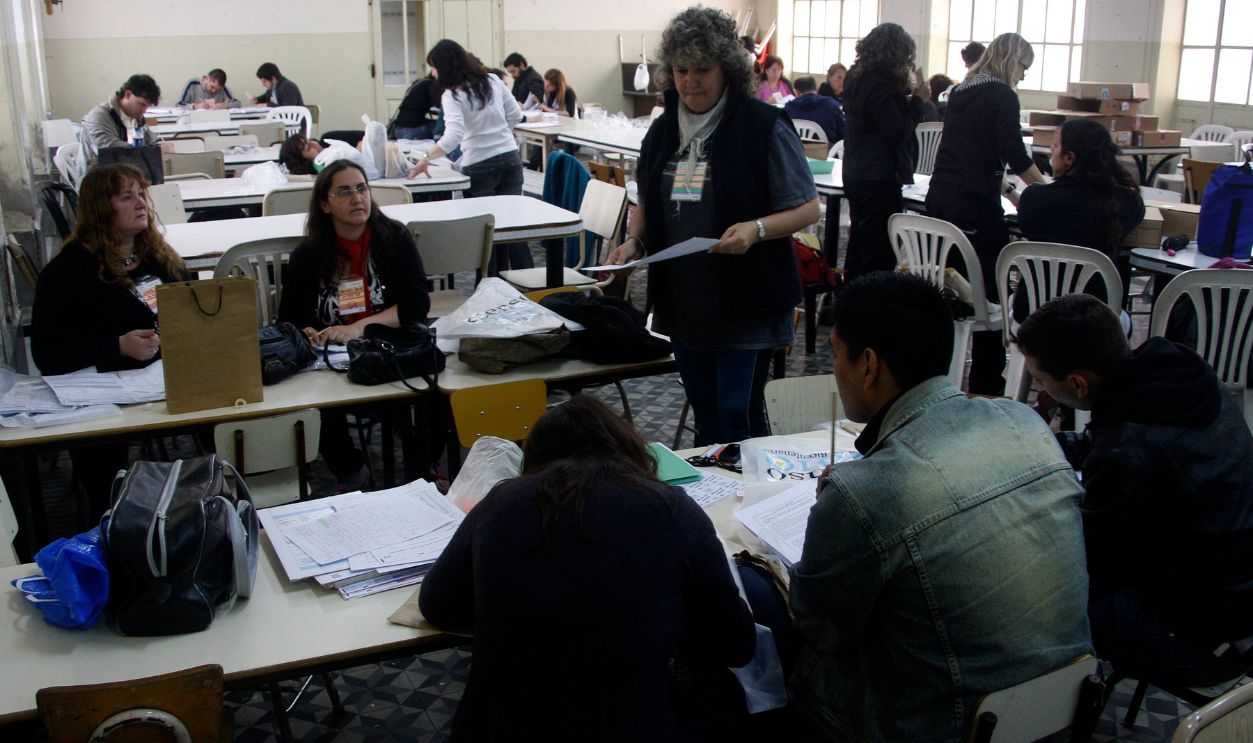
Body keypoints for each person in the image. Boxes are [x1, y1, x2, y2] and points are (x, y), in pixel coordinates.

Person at [790, 271, 1091, 742]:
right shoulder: (1024, 423)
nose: (835, 370)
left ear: (869, 365)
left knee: (779, 650)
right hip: (1061, 706)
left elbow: (822, 628)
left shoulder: (865, 492)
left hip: (946, 724)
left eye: (834, 353)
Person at [420, 394, 756, 740]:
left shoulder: (502, 503)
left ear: (536, 457)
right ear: (629, 448)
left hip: (506, 724)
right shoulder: (673, 511)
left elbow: (437, 606)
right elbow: (737, 645)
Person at [604, 6, 820, 445]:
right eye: (681, 70)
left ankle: (748, 504)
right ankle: (713, 505)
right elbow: (646, 197)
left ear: (727, 69)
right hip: (685, 301)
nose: (690, 82)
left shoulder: (763, 127)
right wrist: (633, 242)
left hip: (747, 300)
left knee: (736, 416)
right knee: (706, 415)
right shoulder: (662, 130)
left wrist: (755, 230)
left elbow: (808, 208)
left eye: (702, 69)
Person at [1014, 294, 1253, 689]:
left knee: (1034, 588)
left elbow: (1089, 566)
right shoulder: (1177, 379)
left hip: (1205, 645)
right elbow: (1110, 443)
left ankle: (1040, 707)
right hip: (1236, 604)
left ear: (1078, 384)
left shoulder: (1127, 451)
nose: (1041, 390)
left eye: (1042, 380)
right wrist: (1043, 445)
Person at [31, 163, 191, 519]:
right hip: (102, 392)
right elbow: (47, 353)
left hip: (161, 383)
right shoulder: (68, 271)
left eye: (140, 195)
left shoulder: (159, 258)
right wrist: (116, 346)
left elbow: (189, 306)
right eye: (126, 197)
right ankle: (109, 525)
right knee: (104, 470)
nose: (140, 204)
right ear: (102, 208)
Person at [276, 160, 430, 488]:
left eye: (362, 189)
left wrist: (361, 326)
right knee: (319, 400)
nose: (357, 198)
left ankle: (421, 472)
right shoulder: (308, 254)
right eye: (344, 192)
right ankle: (351, 471)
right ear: (324, 204)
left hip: (388, 345)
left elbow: (417, 304)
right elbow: (289, 317)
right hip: (329, 356)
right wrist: (304, 331)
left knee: (433, 392)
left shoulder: (394, 238)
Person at [925, 32, 1046, 395]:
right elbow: (1015, 153)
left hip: (942, 202)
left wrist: (1009, 190)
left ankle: (939, 376)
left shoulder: (962, 90)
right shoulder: (1002, 95)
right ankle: (986, 385)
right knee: (992, 297)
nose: (1023, 75)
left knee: (955, 296)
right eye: (1023, 67)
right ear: (1012, 61)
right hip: (974, 210)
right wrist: (1045, 192)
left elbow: (973, 153)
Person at [409, 39, 532, 272]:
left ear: (444, 67)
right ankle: (528, 281)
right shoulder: (493, 80)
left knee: (485, 230)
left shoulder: (453, 95)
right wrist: (498, 132)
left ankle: (490, 285)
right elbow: (516, 115)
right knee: (514, 225)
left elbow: (453, 135)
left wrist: (426, 157)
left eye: (434, 67)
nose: (433, 73)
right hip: (509, 158)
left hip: (479, 164)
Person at [1014, 118, 1145, 318]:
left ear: (1069, 158)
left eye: (1056, 146)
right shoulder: (1125, 201)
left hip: (1035, 310)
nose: (1051, 150)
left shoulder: (1034, 198)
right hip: (1095, 317)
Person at [840, 23, 927, 280]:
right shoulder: (881, 83)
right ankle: (872, 305)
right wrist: (918, 102)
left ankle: (849, 304)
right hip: (879, 175)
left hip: (855, 170)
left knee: (858, 243)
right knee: (879, 251)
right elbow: (897, 132)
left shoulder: (856, 76)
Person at [79, 74, 175, 168]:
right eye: (142, 104)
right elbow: (113, 151)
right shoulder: (98, 117)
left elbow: (149, 140)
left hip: (127, 174)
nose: (144, 110)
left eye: (147, 106)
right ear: (127, 94)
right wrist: (153, 151)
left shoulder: (135, 115)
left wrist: (158, 144)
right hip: (99, 178)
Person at [783, 76, 844, 143]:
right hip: (827, 151)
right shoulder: (832, 105)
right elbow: (843, 133)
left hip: (796, 151)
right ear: (816, 90)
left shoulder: (789, 108)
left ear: (797, 92)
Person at [390, 73, 440, 140]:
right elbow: (440, 104)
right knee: (443, 127)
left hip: (398, 129)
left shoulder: (419, 83)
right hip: (413, 130)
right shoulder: (431, 85)